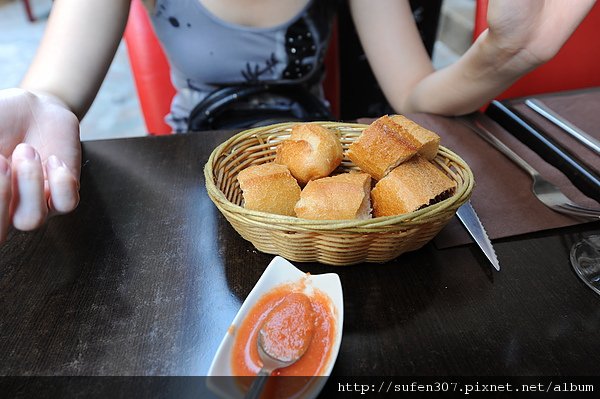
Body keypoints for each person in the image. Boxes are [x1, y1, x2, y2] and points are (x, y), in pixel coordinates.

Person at [0, 0, 595, 243]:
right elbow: (50, 88)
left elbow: (415, 92)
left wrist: (504, 56)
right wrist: (34, 105)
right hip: (190, 179)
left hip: (322, 179)